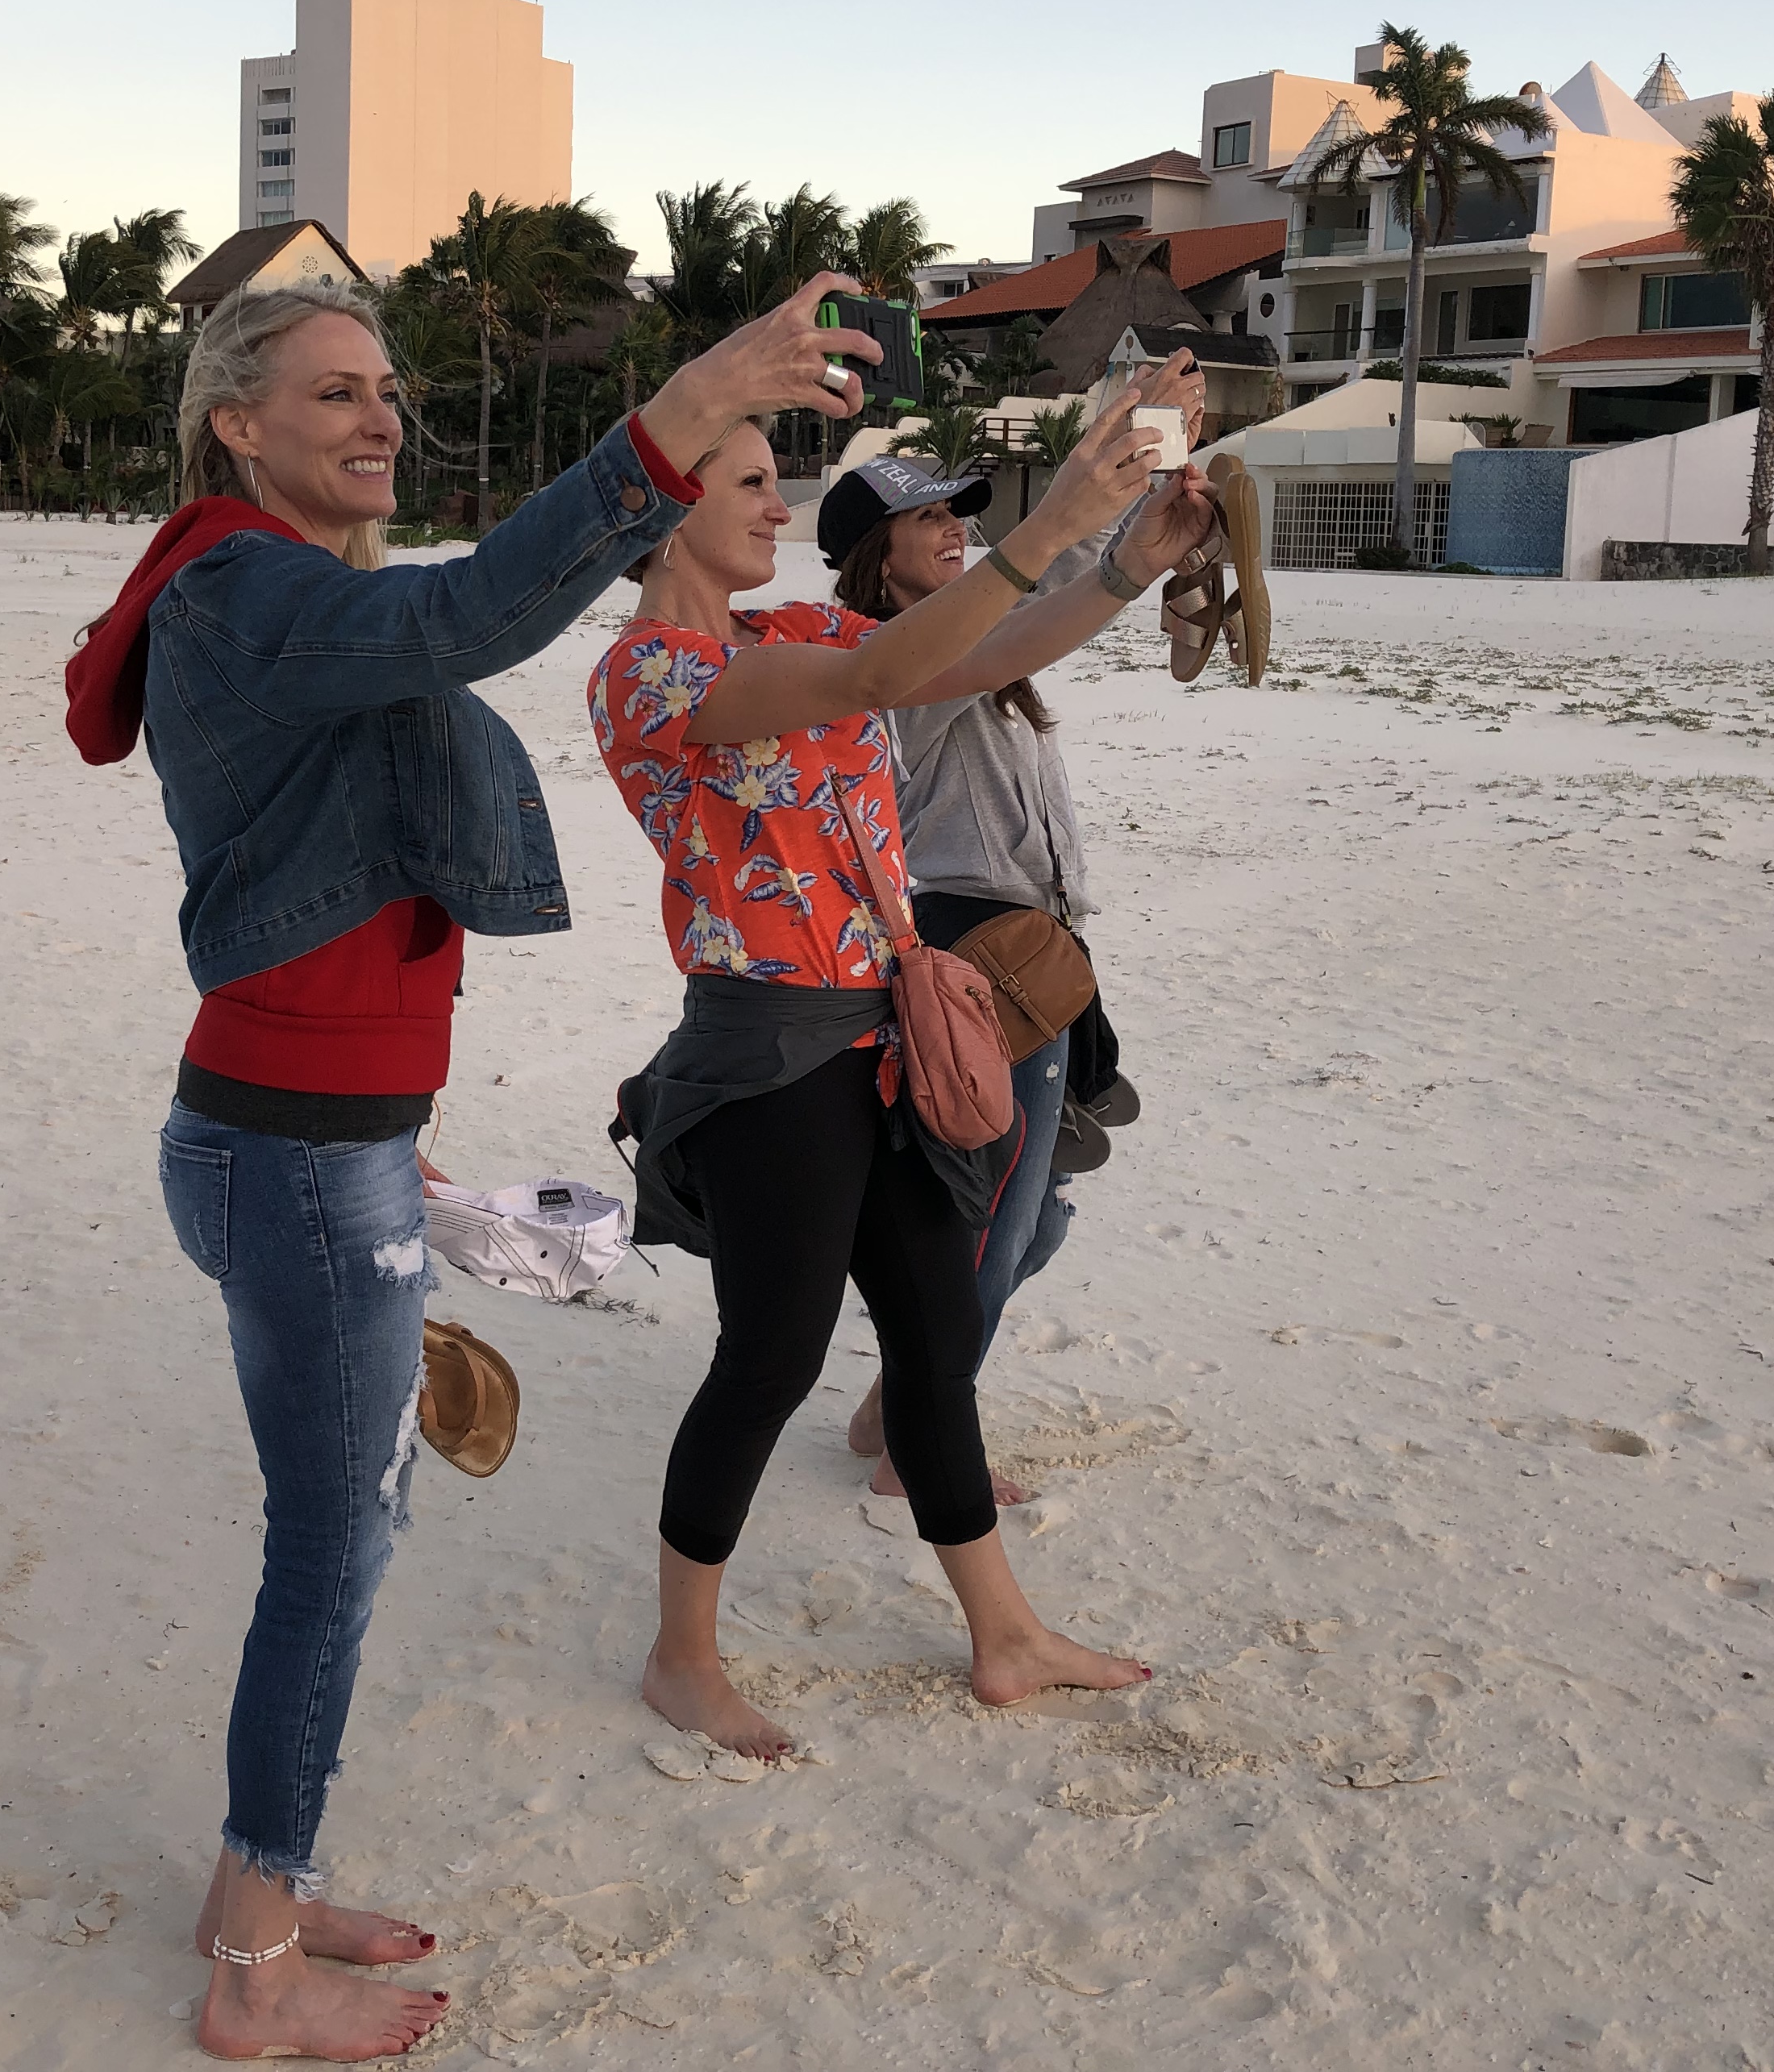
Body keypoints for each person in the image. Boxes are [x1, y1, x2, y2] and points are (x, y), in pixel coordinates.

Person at [65, 273, 864, 2063]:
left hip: (316, 1138)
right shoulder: (244, 590)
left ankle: (253, 1887)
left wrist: (406, 1145)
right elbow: (476, 609)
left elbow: (414, 694)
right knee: (332, 1549)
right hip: (292, 1155)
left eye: (388, 392)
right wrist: (684, 410)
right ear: (235, 425)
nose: (381, 420)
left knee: (350, 1526)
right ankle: (255, 1964)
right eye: (334, 392)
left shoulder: (282, 594)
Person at [591, 344, 1215, 1762]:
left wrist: (1124, 562)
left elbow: (982, 654)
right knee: (772, 1358)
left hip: (882, 1034)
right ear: (668, 511)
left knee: (935, 1337)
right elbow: (880, 668)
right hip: (768, 1059)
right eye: (751, 484)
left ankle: (1006, 1634)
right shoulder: (651, 676)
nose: (779, 506)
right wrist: (1061, 511)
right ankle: (682, 1657)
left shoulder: (793, 624)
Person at [818, 371, 1207, 1498]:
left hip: (1038, 948)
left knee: (1030, 1227)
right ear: (874, 557)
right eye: (929, 519)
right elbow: (1044, 600)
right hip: (980, 954)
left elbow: (1057, 585)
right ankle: (918, 1453)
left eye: (960, 511)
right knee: (994, 1225)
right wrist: (1108, 505)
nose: (956, 528)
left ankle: (897, 1405)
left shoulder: (978, 646)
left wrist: (1140, 494)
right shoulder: (894, 663)